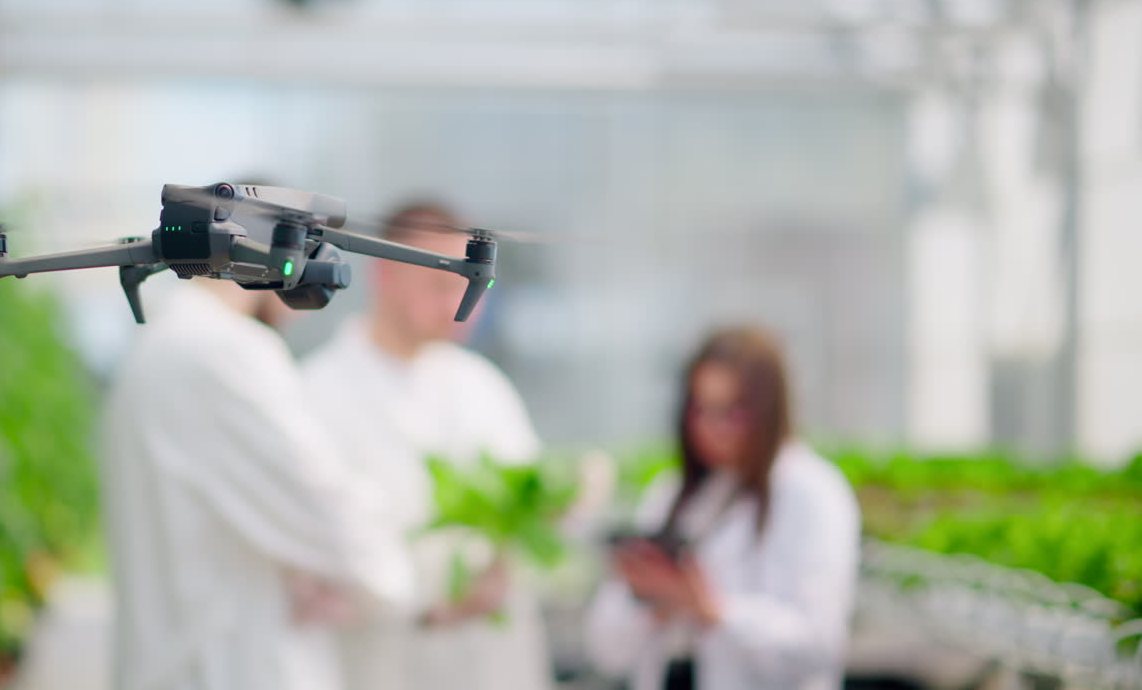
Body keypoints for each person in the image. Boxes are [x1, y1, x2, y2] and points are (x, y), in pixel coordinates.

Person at [99, 276, 412, 690]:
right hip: (229, 668)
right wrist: (380, 580)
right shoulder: (225, 349)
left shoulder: (158, 344)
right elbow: (332, 513)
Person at [300, 199, 552, 690]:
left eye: (469, 283)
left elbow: (531, 512)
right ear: (386, 275)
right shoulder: (315, 395)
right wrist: (423, 602)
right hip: (380, 665)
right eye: (439, 283)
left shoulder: (484, 388)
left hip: (485, 664)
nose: (459, 304)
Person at [584, 325, 860, 690]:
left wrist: (714, 611)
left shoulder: (812, 493)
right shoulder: (672, 494)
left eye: (730, 413)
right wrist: (646, 599)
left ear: (767, 411)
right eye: (700, 410)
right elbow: (606, 651)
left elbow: (820, 646)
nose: (712, 429)